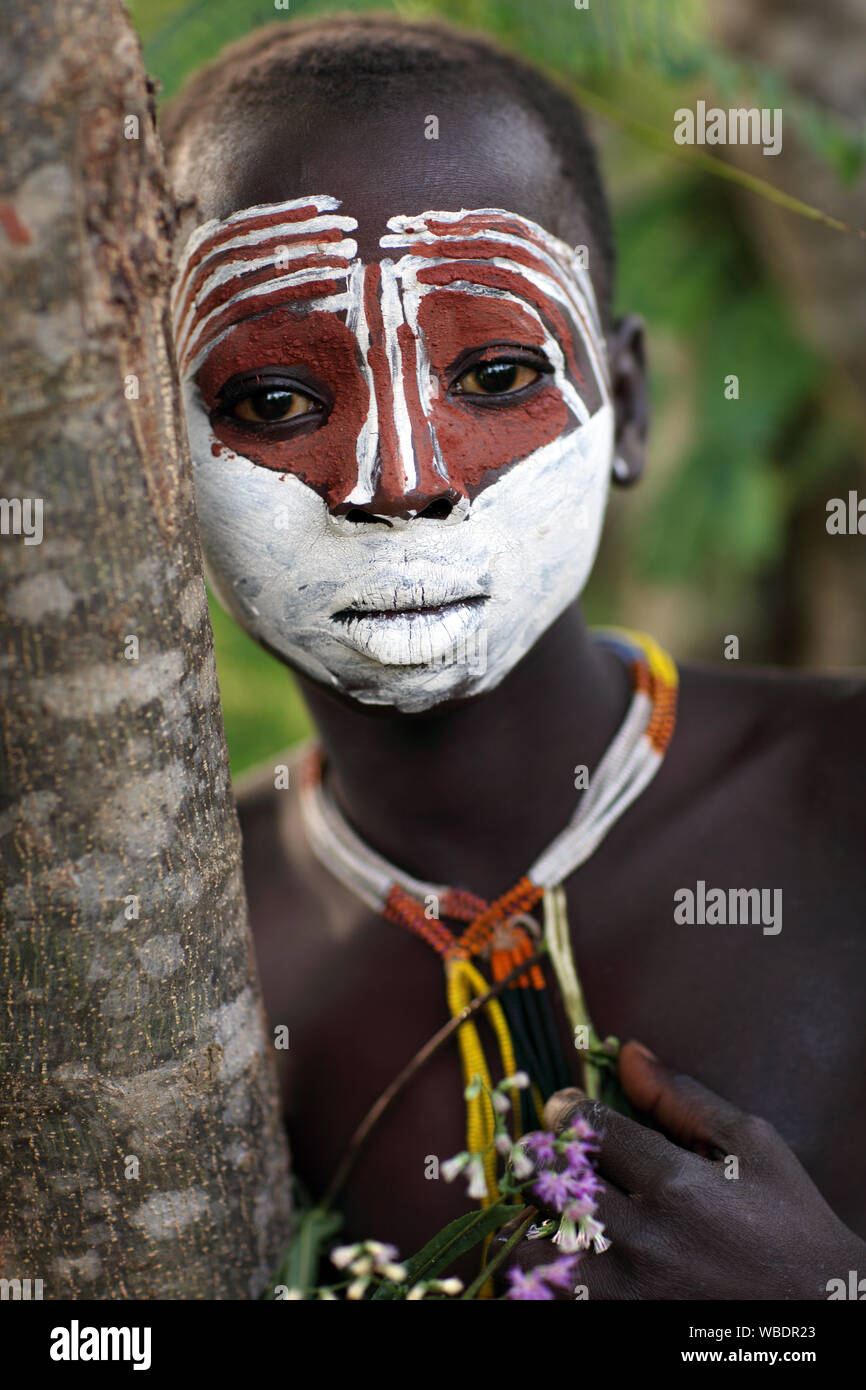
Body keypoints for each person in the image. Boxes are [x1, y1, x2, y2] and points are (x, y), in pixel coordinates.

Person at [162, 13, 866, 1298]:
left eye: (492, 372)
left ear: (631, 406)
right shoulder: (174, 936)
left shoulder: (843, 795)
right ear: (163, 470)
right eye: (274, 400)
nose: (402, 482)